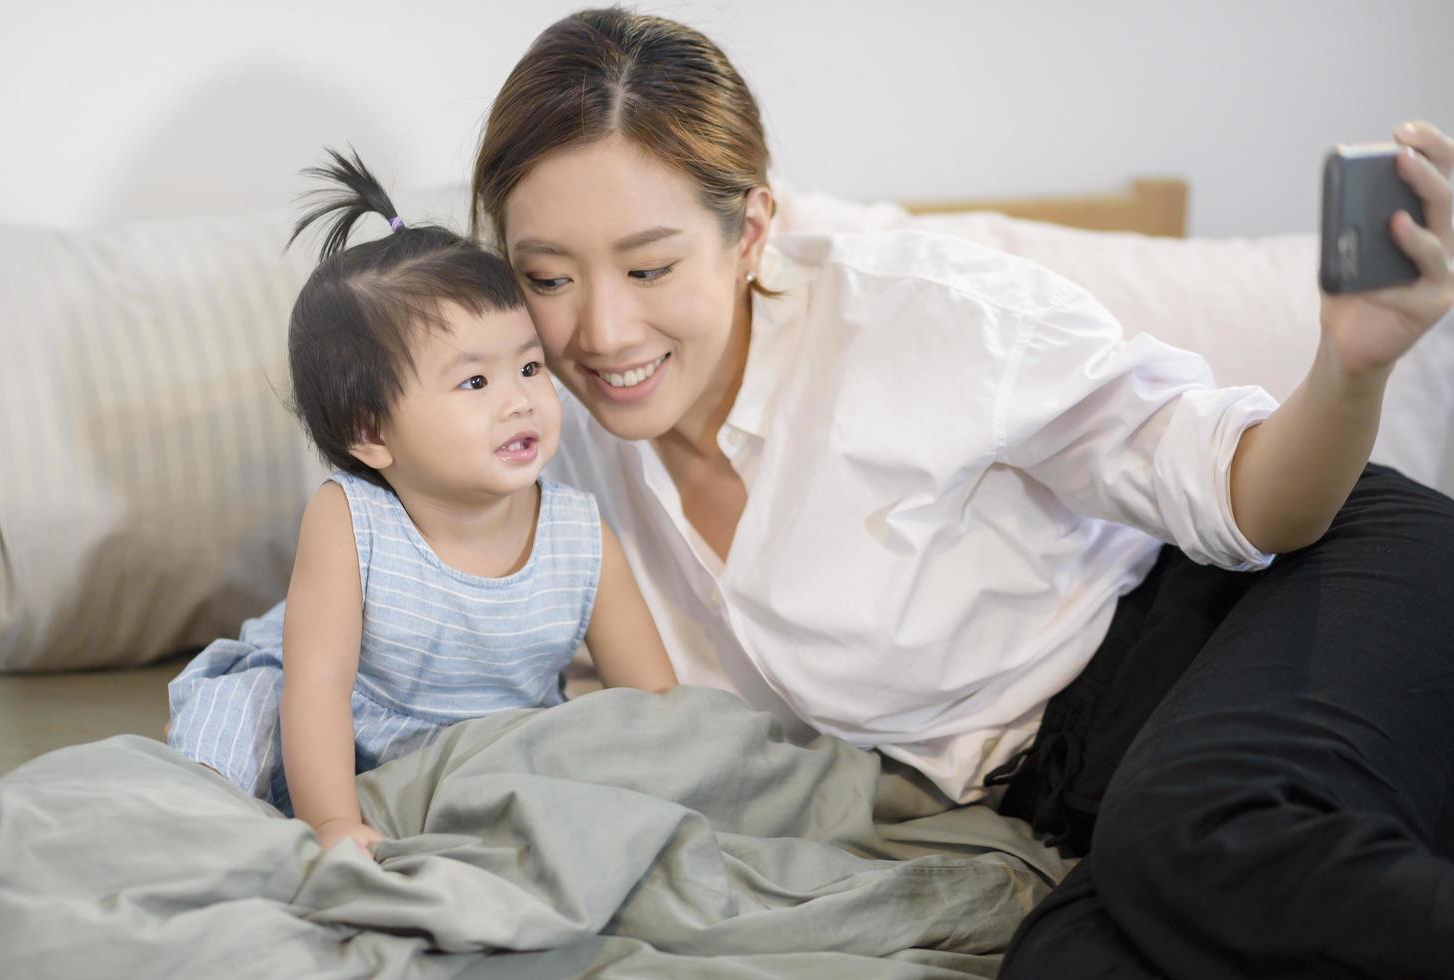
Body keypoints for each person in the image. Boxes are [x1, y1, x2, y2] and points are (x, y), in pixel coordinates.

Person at [466, 8, 1454, 977]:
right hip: (1078, 789)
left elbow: (1249, 501)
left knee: (1201, 833)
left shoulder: (922, 318)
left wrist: (1350, 364)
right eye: (546, 277)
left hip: (1283, 589)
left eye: (648, 266)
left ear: (751, 228)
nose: (598, 332)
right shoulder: (557, 454)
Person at [167, 148, 677, 857]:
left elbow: (655, 704)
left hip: (488, 746)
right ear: (372, 433)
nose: (520, 400)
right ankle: (201, 826)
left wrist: (671, 774)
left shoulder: (578, 536)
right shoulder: (351, 521)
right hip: (331, 733)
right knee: (243, 716)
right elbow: (316, 690)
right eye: (475, 383)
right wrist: (333, 822)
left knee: (580, 752)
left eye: (529, 366)